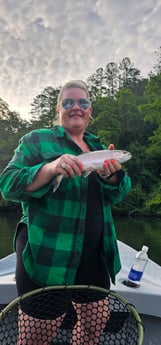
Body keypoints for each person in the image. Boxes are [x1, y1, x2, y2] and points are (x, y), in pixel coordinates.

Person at [0, 80, 131, 345]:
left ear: (90, 110)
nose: (76, 107)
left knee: (95, 325)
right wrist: (50, 169)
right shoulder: (37, 139)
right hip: (46, 253)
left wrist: (113, 176)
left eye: (82, 103)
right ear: (58, 109)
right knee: (36, 336)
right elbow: (7, 185)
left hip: (94, 254)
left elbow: (119, 193)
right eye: (68, 102)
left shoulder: (98, 147)